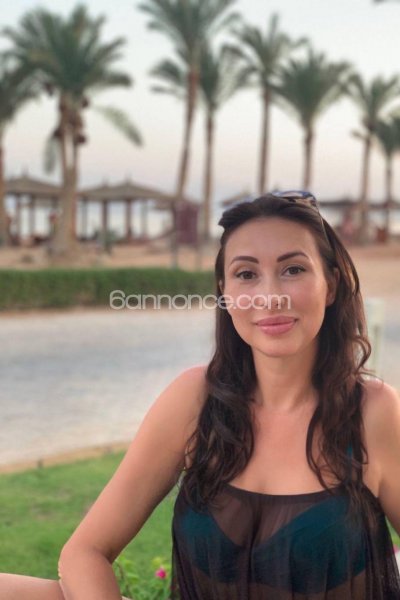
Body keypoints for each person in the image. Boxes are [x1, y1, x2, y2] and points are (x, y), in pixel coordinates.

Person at [1, 191, 400, 599]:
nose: (270, 296)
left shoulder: (373, 412)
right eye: (246, 274)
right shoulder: (195, 401)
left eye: (293, 269)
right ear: (224, 293)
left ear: (331, 285)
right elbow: (84, 552)